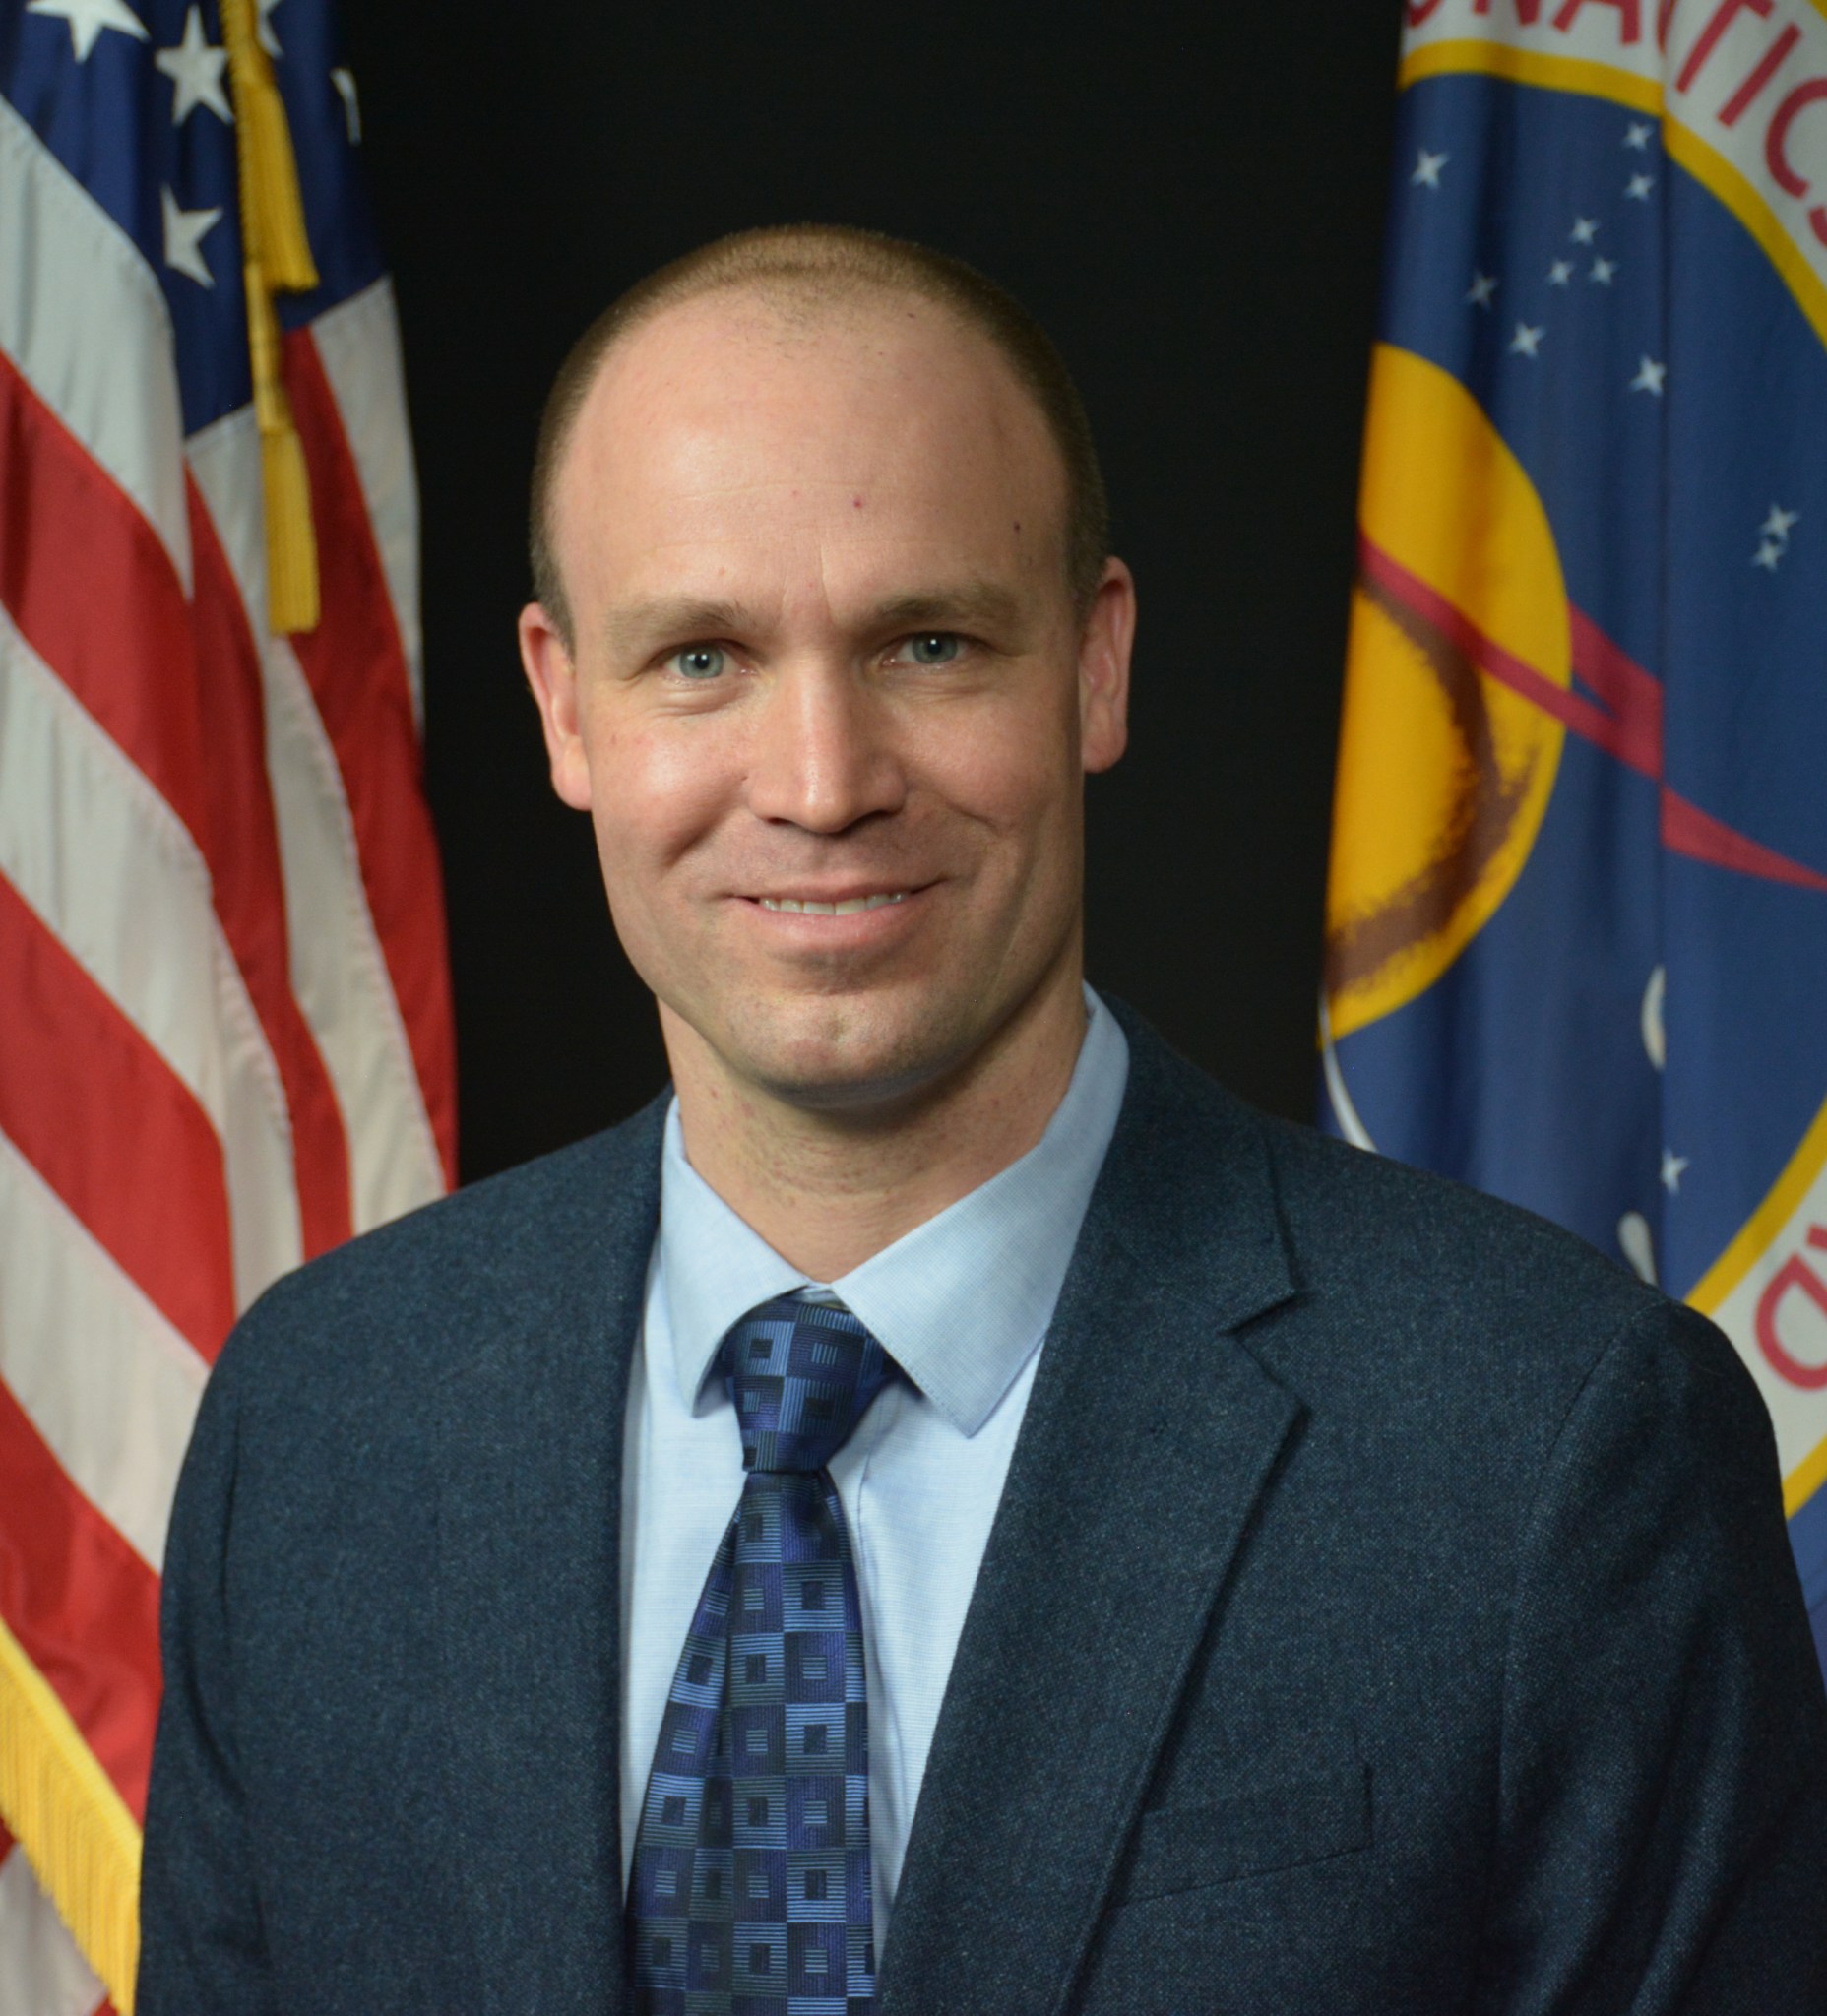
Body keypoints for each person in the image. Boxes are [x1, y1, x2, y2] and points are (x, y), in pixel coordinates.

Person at [137, 224, 1827, 2016]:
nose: (820, 784)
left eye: (927, 644)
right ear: (566, 706)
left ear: (1094, 666)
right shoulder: (315, 1431)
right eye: (700, 658)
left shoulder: (1555, 1453)